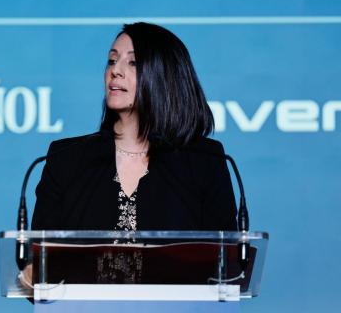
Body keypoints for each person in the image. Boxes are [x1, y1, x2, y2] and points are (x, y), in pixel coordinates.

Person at [31, 22, 237, 233]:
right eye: (112, 60)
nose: (115, 71)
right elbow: (39, 258)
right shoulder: (66, 159)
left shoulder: (205, 160)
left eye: (133, 63)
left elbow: (225, 258)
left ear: (164, 76)